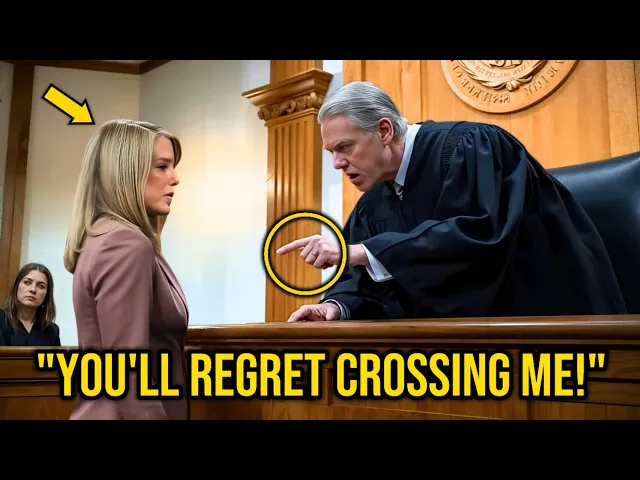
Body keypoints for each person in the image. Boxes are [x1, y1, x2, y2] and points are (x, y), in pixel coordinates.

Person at [278, 81, 628, 322]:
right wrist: (337, 307)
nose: (337, 163)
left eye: (344, 147)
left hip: (553, 337)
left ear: (384, 130)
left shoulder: (472, 146)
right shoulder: (373, 203)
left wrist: (363, 251)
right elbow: (369, 285)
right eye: (331, 152)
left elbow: (480, 238)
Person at [63, 119, 189, 420]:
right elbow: (129, 378)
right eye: (162, 166)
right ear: (126, 173)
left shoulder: (105, 236)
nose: (175, 178)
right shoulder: (125, 244)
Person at [0, 263, 60, 346]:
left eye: (41, 286)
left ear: (46, 295)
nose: (33, 289)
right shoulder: (1, 319)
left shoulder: (52, 331)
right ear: (16, 286)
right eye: (27, 282)